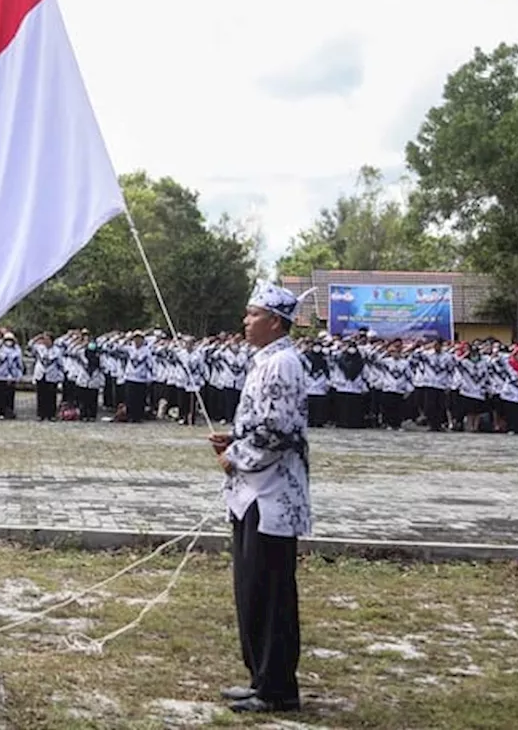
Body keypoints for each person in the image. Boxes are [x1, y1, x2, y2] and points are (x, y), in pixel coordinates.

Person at [208, 281, 313, 714]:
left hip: (271, 496)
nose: (244, 321)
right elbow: (263, 424)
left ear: (274, 321)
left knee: (270, 593)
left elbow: (278, 432)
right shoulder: (265, 361)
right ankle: (259, 677)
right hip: (253, 494)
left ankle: (277, 689)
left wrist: (234, 456)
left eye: (252, 314)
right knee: (251, 588)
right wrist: (233, 438)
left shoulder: (283, 363)